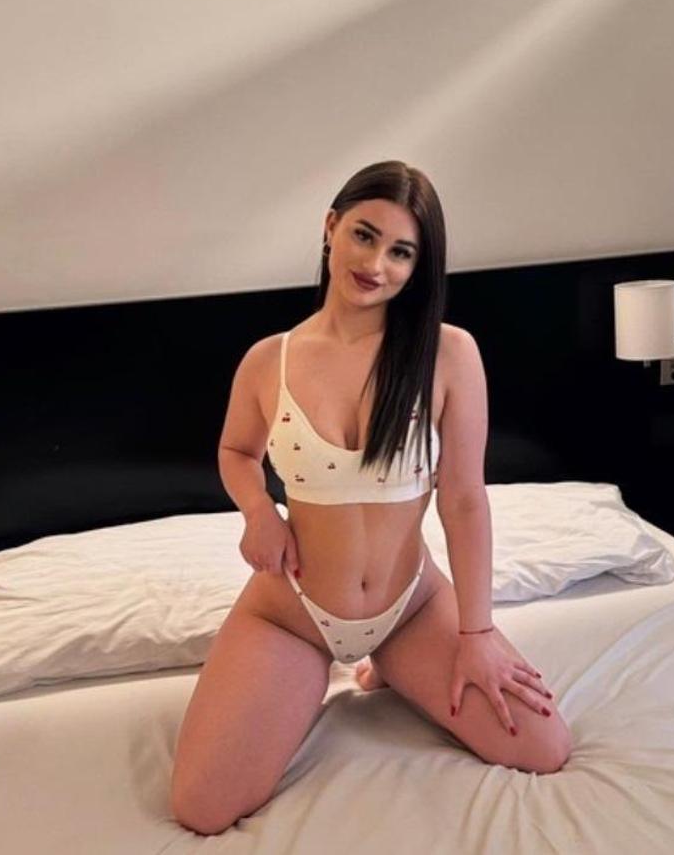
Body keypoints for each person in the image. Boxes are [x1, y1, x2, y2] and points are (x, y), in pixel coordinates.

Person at [170, 161, 572, 836]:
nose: (376, 264)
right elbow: (235, 451)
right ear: (331, 227)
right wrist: (259, 511)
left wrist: (476, 634)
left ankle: (391, 661)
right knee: (201, 808)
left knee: (544, 747)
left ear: (418, 266)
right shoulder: (269, 360)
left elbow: (464, 502)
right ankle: (324, 671)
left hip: (410, 606)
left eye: (401, 252)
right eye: (364, 235)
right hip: (292, 614)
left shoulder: (449, 354)